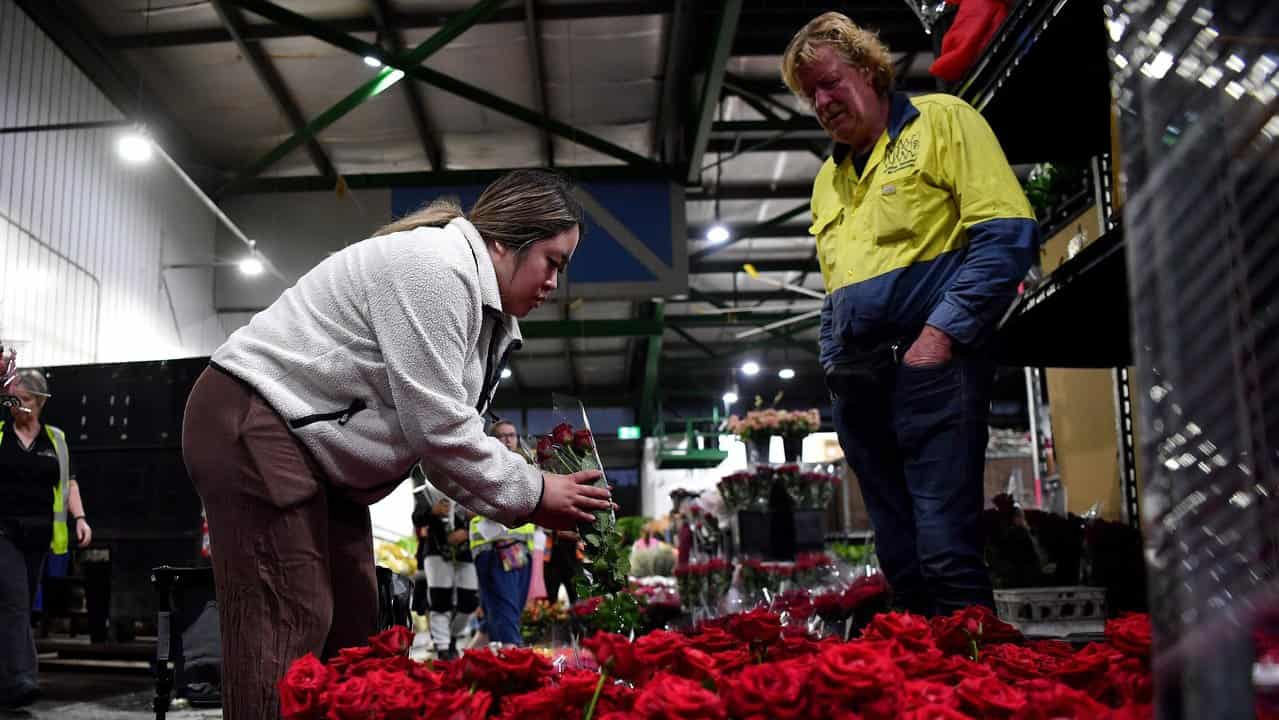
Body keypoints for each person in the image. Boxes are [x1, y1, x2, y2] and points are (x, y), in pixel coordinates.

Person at [181, 169, 613, 718]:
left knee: (358, 627)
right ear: (505, 241)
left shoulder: (483, 315)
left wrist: (531, 492)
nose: (555, 282)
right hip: (255, 421)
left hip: (312, 451)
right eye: (553, 261)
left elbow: (443, 449)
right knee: (290, 617)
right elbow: (440, 433)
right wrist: (533, 492)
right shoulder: (436, 269)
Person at [782, 13, 1039, 616]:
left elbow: (1006, 236)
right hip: (860, 386)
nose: (821, 101)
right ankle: (920, 693)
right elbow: (836, 287)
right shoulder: (827, 180)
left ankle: (975, 694)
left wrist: (939, 337)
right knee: (899, 559)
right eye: (809, 93)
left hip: (932, 372)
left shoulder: (944, 121)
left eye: (829, 82)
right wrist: (833, 360)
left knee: (945, 549)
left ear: (870, 71)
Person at [0, 369, 90, 708]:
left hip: (38, 535)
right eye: (12, 400)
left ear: (39, 403)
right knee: (14, 601)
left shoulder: (56, 439)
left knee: (16, 607)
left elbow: (68, 484)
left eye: (24, 400)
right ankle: (22, 678)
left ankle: (8, 679)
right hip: (3, 531)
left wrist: (80, 518)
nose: (17, 407)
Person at [410, 466, 477, 660]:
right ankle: (443, 646)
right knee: (440, 601)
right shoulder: (424, 491)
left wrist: (467, 529)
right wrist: (432, 512)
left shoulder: (468, 489)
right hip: (435, 552)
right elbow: (417, 517)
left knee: (469, 601)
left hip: (464, 552)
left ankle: (451, 637)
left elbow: (483, 515)